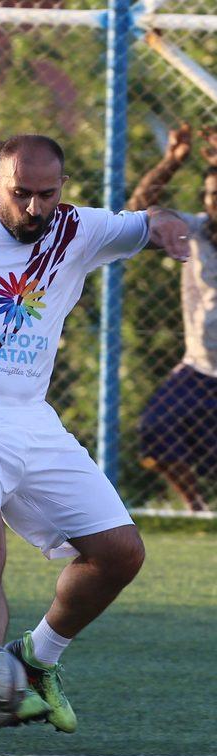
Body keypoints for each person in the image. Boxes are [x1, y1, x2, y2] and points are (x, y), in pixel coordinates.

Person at [0, 134, 190, 732]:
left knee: (120, 554)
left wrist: (166, 226)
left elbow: (149, 217)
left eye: (48, 195)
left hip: (34, 422)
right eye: (22, 194)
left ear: (62, 189)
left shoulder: (79, 229)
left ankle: (34, 661)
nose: (35, 209)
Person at [128, 123, 217, 512]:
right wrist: (172, 162)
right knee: (156, 428)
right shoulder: (195, 230)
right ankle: (196, 506)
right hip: (200, 368)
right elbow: (138, 207)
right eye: (213, 195)